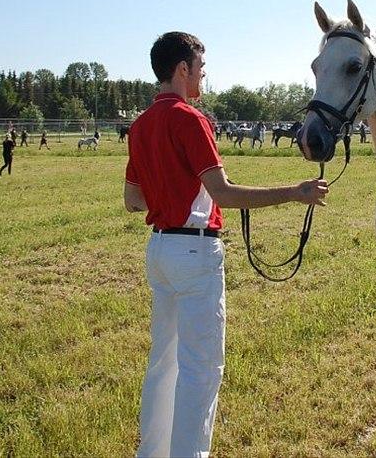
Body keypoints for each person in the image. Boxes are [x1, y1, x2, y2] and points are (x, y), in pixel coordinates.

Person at [124, 31, 328, 458]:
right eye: (200, 68)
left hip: (159, 250)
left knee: (163, 364)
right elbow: (225, 194)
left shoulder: (141, 125)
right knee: (200, 370)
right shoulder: (191, 119)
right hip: (194, 253)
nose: (202, 76)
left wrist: (168, 189)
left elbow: (132, 200)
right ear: (183, 69)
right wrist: (296, 191)